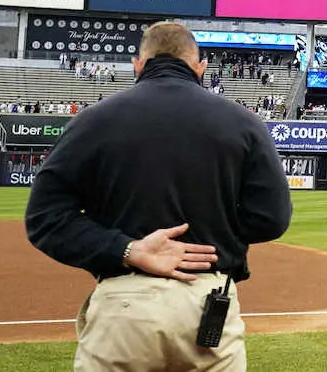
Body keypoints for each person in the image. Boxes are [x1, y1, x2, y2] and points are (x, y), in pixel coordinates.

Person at [25, 22, 293, 370]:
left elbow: (44, 218)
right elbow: (272, 218)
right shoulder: (243, 122)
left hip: (123, 304)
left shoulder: (92, 121)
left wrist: (127, 248)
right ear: (201, 68)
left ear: (138, 64)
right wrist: (217, 232)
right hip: (208, 300)